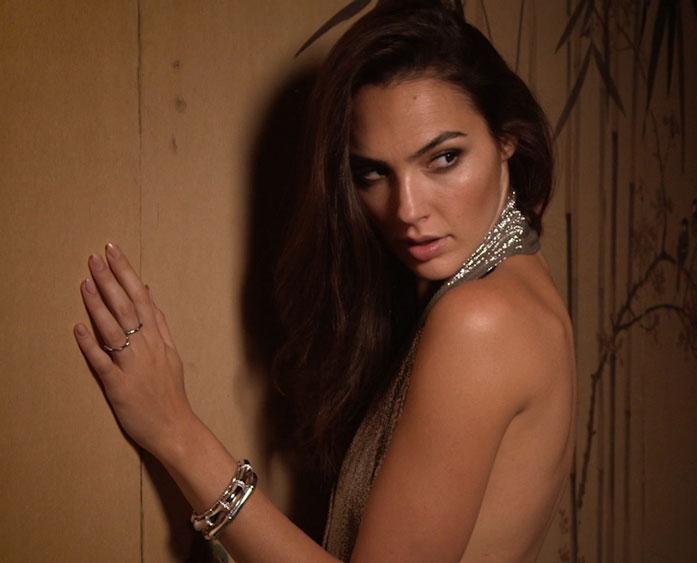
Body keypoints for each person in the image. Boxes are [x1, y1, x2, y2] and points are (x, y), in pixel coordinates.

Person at [72, 1, 576, 561]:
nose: (407, 209)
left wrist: (176, 431)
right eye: (373, 172)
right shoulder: (522, 283)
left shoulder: (481, 320)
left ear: (507, 139)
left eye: (444, 158)